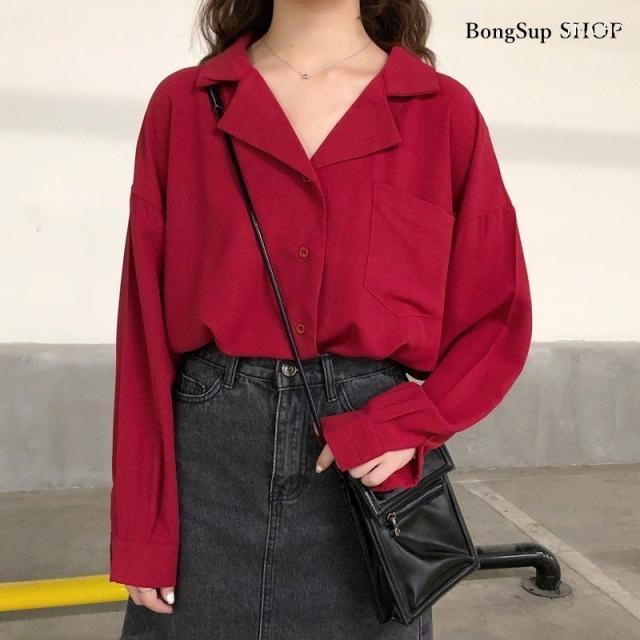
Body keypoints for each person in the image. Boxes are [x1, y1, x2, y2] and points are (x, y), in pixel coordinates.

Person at [109, 1, 533, 639]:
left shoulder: (441, 112)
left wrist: (406, 423)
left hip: (364, 458)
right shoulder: (186, 105)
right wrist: (142, 528)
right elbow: (144, 331)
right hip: (210, 463)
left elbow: (496, 316)